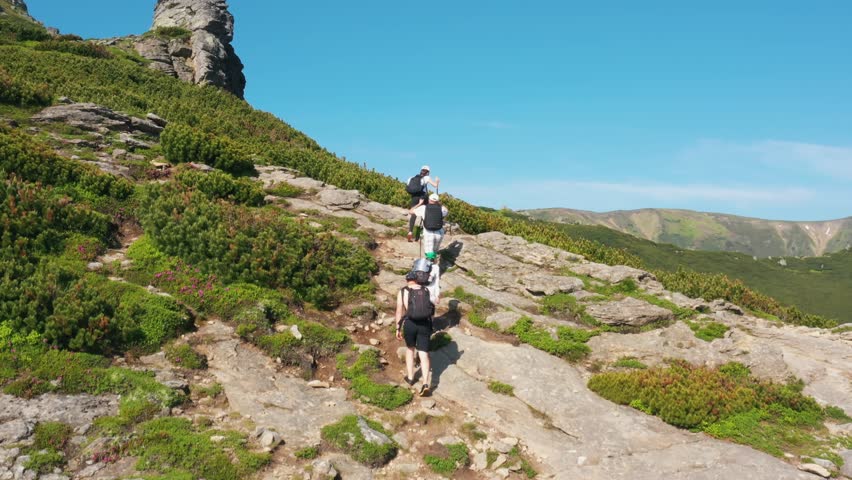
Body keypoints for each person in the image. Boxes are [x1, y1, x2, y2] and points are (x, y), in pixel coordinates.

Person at [396, 259, 435, 396]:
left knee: (410, 349)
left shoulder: (402, 292)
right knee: (424, 353)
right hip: (424, 324)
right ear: (417, 280)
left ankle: (411, 377)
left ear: (408, 280)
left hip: (410, 324)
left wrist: (397, 328)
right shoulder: (425, 290)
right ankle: (425, 383)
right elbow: (431, 307)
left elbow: (399, 311)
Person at [405, 165, 439, 242]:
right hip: (422, 196)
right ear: (428, 172)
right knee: (426, 212)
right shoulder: (426, 178)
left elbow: (409, 188)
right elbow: (435, 186)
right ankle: (424, 231)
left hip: (414, 197)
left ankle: (410, 232)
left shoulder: (411, 178)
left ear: (421, 170)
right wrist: (437, 181)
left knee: (413, 213)